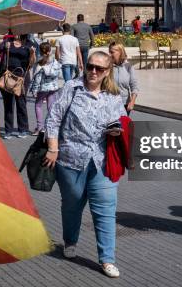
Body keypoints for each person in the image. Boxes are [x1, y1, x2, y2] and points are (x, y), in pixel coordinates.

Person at [44, 51, 126, 278]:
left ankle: (107, 259)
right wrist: (53, 148)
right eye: (90, 66)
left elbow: (122, 121)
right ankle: (70, 241)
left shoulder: (113, 96)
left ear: (107, 72)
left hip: (102, 161)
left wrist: (117, 129)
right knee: (72, 206)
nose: (93, 71)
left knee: (106, 210)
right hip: (70, 159)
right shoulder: (72, 87)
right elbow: (54, 118)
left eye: (99, 69)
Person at [0, 35, 35, 139]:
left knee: (21, 104)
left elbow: (32, 63)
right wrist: (5, 46)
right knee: (8, 105)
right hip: (8, 77)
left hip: (22, 79)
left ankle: (23, 129)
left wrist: (32, 53)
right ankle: (8, 130)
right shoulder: (8, 41)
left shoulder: (29, 43)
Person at [28, 42, 61, 135]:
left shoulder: (40, 64)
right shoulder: (55, 62)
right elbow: (58, 74)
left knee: (38, 106)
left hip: (42, 88)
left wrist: (34, 90)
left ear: (40, 51)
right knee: (50, 107)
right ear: (50, 50)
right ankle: (51, 127)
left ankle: (40, 127)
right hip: (53, 88)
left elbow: (37, 79)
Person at [109, 42, 139, 115]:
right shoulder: (107, 67)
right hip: (110, 104)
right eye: (109, 52)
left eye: (112, 52)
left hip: (124, 104)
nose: (109, 54)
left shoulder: (128, 67)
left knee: (123, 125)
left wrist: (132, 102)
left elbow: (134, 86)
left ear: (120, 52)